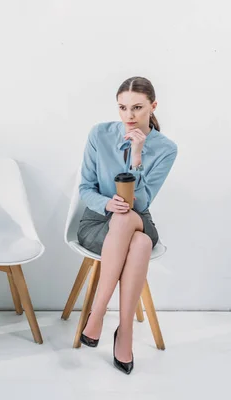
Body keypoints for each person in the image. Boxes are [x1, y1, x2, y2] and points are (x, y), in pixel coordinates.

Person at [77, 77, 177, 374]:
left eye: (137, 108)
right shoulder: (99, 134)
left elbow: (142, 203)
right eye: (123, 108)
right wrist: (106, 204)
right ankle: (125, 334)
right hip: (98, 221)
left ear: (152, 106)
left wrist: (137, 157)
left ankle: (96, 315)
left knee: (129, 222)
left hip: (138, 219)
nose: (129, 116)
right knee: (141, 243)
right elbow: (85, 187)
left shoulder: (165, 148)